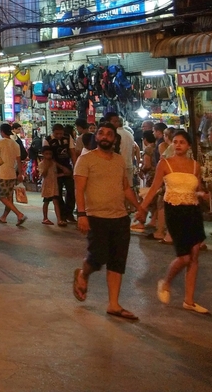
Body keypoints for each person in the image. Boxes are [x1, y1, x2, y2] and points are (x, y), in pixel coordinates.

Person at [72, 122, 142, 320]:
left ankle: (113, 304)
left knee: (117, 262)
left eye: (109, 134)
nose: (104, 137)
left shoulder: (119, 160)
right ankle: (83, 274)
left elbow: (126, 188)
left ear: (114, 139)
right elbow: (79, 189)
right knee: (97, 258)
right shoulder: (86, 160)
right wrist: (82, 215)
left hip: (120, 218)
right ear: (97, 137)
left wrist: (140, 208)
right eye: (101, 133)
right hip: (96, 217)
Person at [135, 131, 209, 314]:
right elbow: (154, 188)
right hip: (174, 211)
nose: (178, 145)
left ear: (189, 145)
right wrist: (142, 208)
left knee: (195, 255)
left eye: (182, 142)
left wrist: (203, 195)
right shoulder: (165, 163)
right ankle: (166, 283)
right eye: (175, 142)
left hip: (193, 210)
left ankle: (189, 301)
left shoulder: (195, 166)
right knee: (184, 257)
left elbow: (197, 188)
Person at [0, 123, 27, 225]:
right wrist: (20, 173)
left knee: (1, 196)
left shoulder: (0, 142)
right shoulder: (16, 144)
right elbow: (19, 161)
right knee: (9, 198)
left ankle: (19, 214)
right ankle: (4, 217)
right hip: (12, 173)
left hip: (2, 173)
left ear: (2, 131)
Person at [45, 124, 75, 223]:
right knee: (57, 193)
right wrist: (61, 167)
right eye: (57, 133)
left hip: (68, 167)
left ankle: (69, 213)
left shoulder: (67, 137)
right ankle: (62, 215)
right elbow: (48, 157)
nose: (59, 135)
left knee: (71, 190)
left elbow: (72, 152)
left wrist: (75, 167)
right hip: (55, 169)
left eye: (61, 133)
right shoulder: (47, 140)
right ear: (53, 132)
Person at [39, 148, 63, 225]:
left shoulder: (54, 163)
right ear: (43, 154)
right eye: (47, 154)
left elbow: (55, 174)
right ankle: (45, 218)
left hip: (54, 185)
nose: (48, 156)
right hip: (47, 185)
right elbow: (43, 175)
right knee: (46, 202)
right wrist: (47, 166)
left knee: (56, 201)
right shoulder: (41, 164)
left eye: (50, 154)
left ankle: (59, 219)